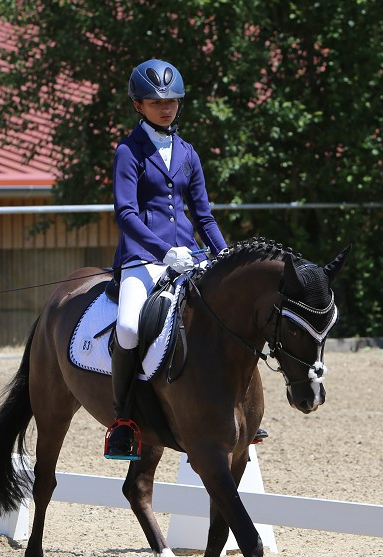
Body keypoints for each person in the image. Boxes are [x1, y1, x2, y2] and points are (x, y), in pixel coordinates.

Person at [104, 59, 228, 460]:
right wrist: (162, 251)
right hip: (143, 259)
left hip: (190, 258)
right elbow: (125, 213)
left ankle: (233, 409)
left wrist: (223, 258)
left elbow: (203, 215)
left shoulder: (188, 152)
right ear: (138, 105)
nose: (167, 108)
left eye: (173, 101)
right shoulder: (129, 151)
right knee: (126, 328)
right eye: (157, 102)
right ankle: (123, 421)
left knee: (226, 317)